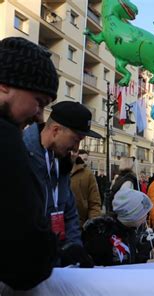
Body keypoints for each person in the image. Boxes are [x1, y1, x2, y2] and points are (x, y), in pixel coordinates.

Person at [0, 37, 59, 290]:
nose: (39, 116)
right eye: (39, 102)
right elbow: (25, 263)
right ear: (5, 85)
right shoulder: (5, 137)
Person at [23, 101, 101, 268]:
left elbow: (69, 212)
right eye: (75, 139)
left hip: (55, 269)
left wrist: (73, 247)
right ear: (56, 130)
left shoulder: (61, 163)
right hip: (25, 270)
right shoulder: (20, 155)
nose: (76, 148)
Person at [82, 188, 154, 266]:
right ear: (132, 215)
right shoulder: (103, 235)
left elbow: (130, 258)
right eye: (143, 213)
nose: (146, 216)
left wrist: (145, 261)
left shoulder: (130, 231)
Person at [70, 149, 102, 228]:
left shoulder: (88, 174)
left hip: (80, 225)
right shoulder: (54, 167)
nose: (86, 162)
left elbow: (94, 204)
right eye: (84, 159)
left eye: (86, 160)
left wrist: (93, 226)